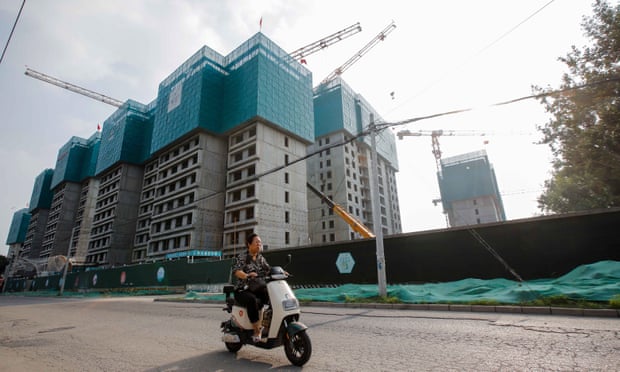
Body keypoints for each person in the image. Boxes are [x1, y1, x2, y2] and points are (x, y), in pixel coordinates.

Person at [232, 233, 270, 342]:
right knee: (252, 300)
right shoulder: (243, 257)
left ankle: (266, 323)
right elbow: (236, 271)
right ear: (249, 244)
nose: (259, 244)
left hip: (256, 288)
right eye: (256, 242)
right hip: (242, 290)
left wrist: (281, 271)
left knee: (269, 295)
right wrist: (247, 275)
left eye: (260, 242)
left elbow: (268, 269)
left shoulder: (260, 258)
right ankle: (256, 331)